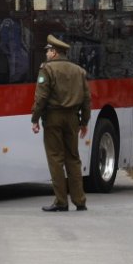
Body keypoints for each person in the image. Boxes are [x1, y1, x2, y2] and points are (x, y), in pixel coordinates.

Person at [30, 35, 91, 212]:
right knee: (73, 158)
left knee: (56, 158)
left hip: (53, 118)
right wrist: (84, 122)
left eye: (48, 51)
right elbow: (87, 100)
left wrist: (35, 119)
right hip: (73, 118)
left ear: (55, 52)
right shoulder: (78, 71)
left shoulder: (47, 70)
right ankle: (80, 201)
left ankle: (61, 201)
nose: (47, 54)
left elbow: (41, 98)